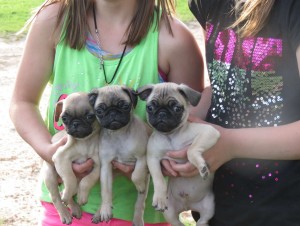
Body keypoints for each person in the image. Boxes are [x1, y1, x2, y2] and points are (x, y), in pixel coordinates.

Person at [9, 0, 205, 225]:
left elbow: (190, 125)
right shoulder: (55, 20)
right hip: (67, 205)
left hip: (138, 212)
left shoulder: (174, 39)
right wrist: (48, 151)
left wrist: (157, 159)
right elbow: (22, 102)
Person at [164, 0, 300, 225]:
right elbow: (225, 84)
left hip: (284, 210)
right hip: (221, 208)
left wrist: (230, 144)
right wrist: (175, 134)